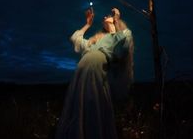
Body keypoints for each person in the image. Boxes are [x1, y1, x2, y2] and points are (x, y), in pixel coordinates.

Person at [55, 7, 134, 139]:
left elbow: (124, 43)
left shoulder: (118, 37)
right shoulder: (95, 42)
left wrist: (116, 22)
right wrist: (88, 24)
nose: (105, 17)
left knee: (93, 105)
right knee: (79, 106)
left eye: (108, 16)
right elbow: (75, 39)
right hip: (81, 72)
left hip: (95, 71)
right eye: (106, 16)